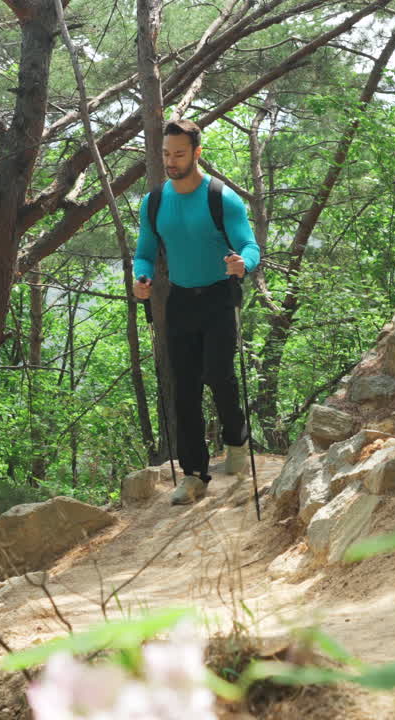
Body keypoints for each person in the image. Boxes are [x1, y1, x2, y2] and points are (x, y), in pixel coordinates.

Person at [132, 119, 261, 505]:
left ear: (197, 153)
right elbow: (144, 253)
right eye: (166, 154)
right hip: (180, 300)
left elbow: (249, 244)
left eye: (179, 154)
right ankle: (193, 475)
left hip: (220, 296)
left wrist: (244, 264)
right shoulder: (154, 202)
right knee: (183, 387)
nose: (171, 161)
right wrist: (141, 278)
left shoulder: (222, 198)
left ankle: (236, 439)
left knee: (218, 374)